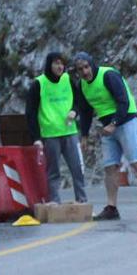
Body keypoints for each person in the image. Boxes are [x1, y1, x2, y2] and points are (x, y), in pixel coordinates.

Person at [72, 52, 137, 219]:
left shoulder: (108, 75)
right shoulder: (83, 85)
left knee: (135, 160)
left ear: (92, 64)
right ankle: (111, 207)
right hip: (107, 127)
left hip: (126, 120)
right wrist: (84, 135)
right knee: (110, 166)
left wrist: (114, 123)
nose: (84, 72)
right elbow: (85, 112)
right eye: (80, 69)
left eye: (86, 67)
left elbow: (123, 101)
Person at [25, 52, 88, 205]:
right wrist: (36, 138)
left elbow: (80, 99)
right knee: (53, 171)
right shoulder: (39, 84)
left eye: (62, 63)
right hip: (50, 134)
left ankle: (82, 201)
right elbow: (30, 113)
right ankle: (54, 202)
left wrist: (75, 110)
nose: (60, 66)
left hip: (70, 131)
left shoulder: (68, 79)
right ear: (49, 64)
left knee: (77, 169)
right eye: (56, 63)